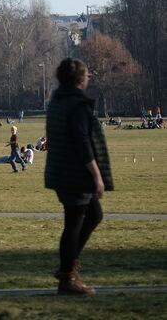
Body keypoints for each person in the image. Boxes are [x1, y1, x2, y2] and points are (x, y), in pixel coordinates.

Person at [45, 58, 114, 295]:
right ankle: (67, 277)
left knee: (93, 215)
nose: (88, 79)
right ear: (79, 79)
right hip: (75, 173)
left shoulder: (58, 100)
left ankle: (68, 266)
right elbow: (82, 142)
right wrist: (97, 175)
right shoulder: (76, 104)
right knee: (74, 223)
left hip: (62, 170)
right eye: (86, 75)